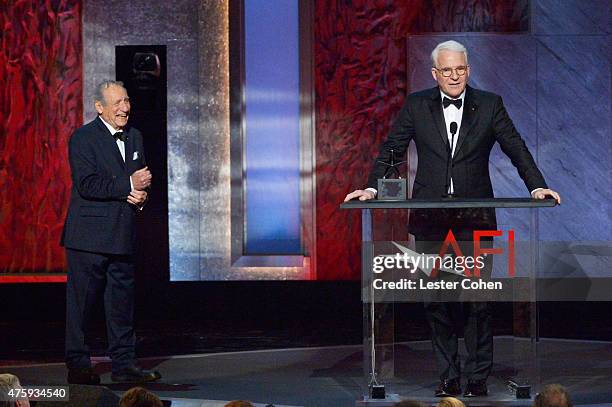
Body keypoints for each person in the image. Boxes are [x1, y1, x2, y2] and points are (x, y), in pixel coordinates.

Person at [344, 40, 561, 397]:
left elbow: (516, 147)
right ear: (435, 74)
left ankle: (477, 376)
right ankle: (448, 374)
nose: (454, 76)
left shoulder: (490, 105)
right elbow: (392, 149)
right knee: (437, 300)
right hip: (429, 219)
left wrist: (537, 186)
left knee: (477, 301)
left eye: (460, 69)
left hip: (473, 219)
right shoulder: (417, 106)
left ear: (468, 70)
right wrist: (371, 190)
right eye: (447, 70)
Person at [61, 80, 160, 384]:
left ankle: (124, 365)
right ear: (99, 107)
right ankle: (78, 365)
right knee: (82, 305)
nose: (125, 108)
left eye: (127, 101)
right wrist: (129, 186)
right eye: (117, 102)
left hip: (122, 234)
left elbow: (140, 180)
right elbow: (88, 185)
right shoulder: (83, 138)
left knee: (121, 304)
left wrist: (141, 197)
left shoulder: (135, 136)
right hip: (89, 237)